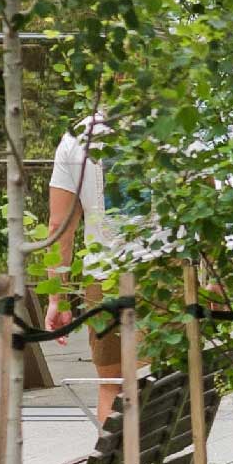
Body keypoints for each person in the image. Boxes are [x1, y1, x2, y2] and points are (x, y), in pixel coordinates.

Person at [49, 111, 136, 426]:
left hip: (105, 278)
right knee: (167, 378)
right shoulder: (177, 121)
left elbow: (60, 225)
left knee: (110, 385)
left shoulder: (77, 136)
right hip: (164, 278)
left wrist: (57, 297)